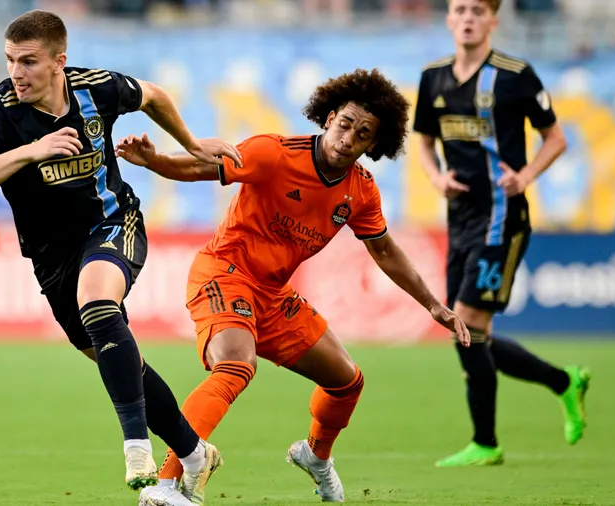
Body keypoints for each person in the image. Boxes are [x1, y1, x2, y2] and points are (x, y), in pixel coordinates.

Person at [116, 68, 471, 505]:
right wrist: (155, 161)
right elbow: (199, 166)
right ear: (329, 117)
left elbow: (384, 251)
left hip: (272, 294)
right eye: (345, 124)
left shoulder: (360, 192)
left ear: (373, 145)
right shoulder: (275, 153)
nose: (348, 139)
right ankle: (167, 483)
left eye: (363, 135)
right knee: (236, 365)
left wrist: (433, 304)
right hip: (224, 272)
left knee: (346, 381)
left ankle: (315, 456)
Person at [0, 10, 241, 491]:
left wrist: (191, 144)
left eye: (28, 61)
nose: (16, 72)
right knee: (118, 358)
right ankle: (194, 454)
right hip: (52, 257)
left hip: (113, 223)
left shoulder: (96, 88)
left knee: (98, 302)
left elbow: (153, 95)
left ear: (59, 61)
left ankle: (136, 448)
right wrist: (31, 150)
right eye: (10, 60)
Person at [412, 0, 589, 467]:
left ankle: (486, 443)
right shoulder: (433, 77)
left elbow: (556, 137)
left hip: (503, 218)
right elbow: (424, 142)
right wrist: (435, 177)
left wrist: (525, 176)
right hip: (460, 219)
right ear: (449, 19)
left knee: (466, 322)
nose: (468, 17)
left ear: (493, 20)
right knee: (469, 331)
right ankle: (564, 382)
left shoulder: (515, 74)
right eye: (460, 9)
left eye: (477, 10)